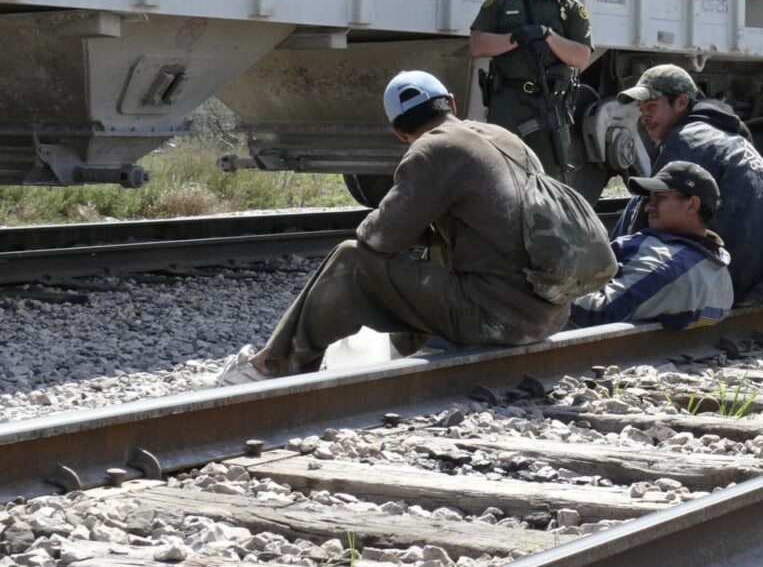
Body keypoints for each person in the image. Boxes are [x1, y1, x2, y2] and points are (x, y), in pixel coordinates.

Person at [215, 71, 568, 383]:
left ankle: (272, 365)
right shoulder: (505, 139)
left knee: (351, 259)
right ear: (452, 104)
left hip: (496, 320)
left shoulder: (432, 150)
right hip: (548, 314)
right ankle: (407, 351)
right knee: (435, 245)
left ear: (399, 132)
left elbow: (378, 238)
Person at [616, 65, 763, 308]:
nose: (644, 117)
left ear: (681, 103)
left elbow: (653, 219)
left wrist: (616, 268)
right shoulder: (724, 135)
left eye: (652, 106)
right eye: (641, 109)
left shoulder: (686, 139)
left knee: (646, 201)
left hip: (743, 280)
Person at [469, 0, 607, 203]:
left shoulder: (571, 9)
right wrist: (515, 37)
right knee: (502, 172)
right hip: (508, 100)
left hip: (550, 104)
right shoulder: (501, 1)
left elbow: (580, 57)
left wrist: (547, 36)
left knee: (552, 179)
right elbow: (477, 45)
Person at [569, 161, 733, 330]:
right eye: (650, 199)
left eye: (660, 198)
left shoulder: (664, 263)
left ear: (692, 205)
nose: (648, 207)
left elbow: (597, 312)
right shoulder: (719, 270)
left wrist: (549, 288)